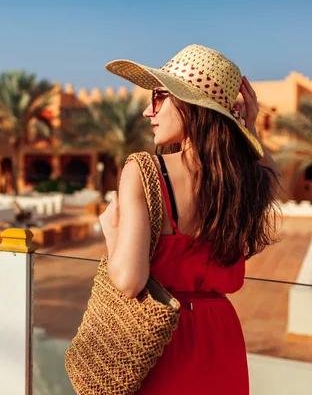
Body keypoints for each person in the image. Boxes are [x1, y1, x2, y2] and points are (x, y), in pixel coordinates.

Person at [100, 44, 281, 394]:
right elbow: (273, 177)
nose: (146, 112)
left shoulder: (144, 170)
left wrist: (113, 234)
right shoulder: (244, 182)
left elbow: (128, 282)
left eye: (158, 98)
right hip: (221, 337)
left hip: (163, 340)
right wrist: (250, 128)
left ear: (188, 103)